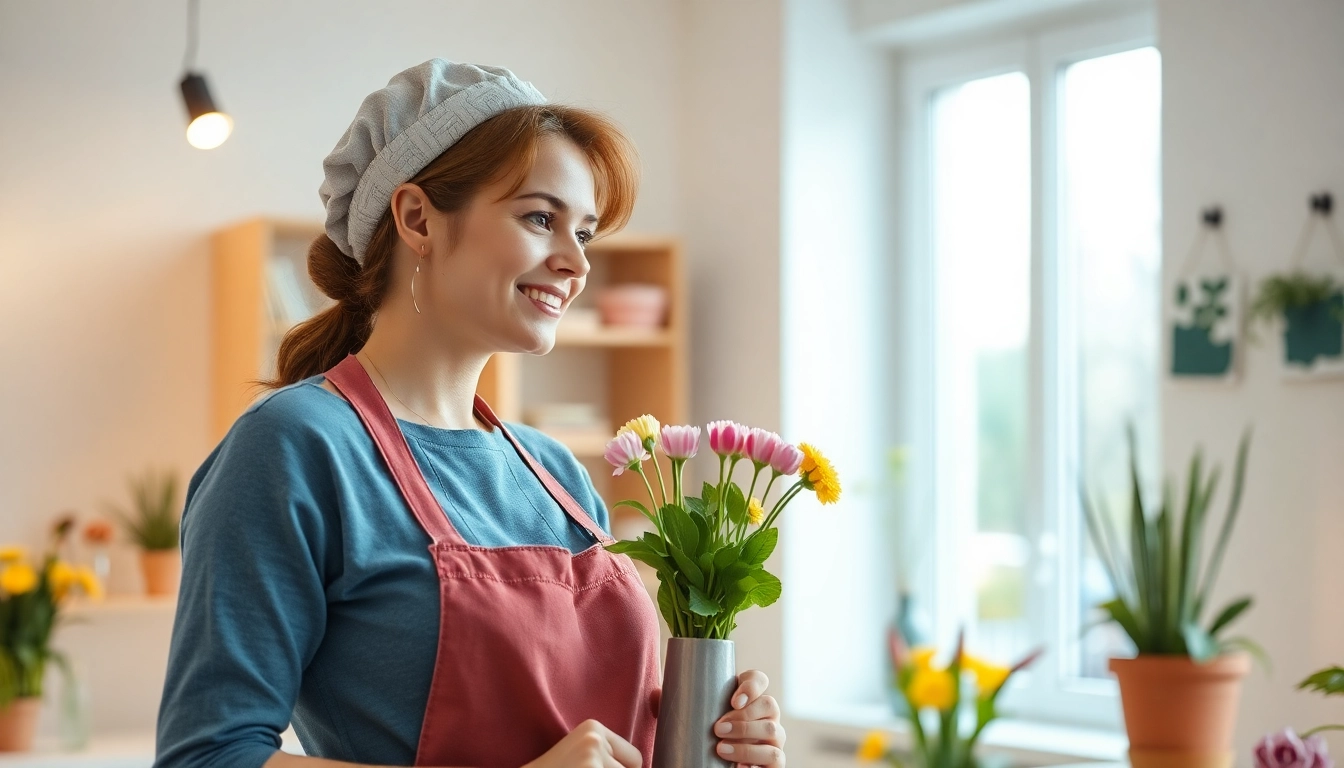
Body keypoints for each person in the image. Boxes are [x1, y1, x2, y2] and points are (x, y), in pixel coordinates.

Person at [152, 59, 786, 768]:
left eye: (584, 233)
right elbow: (207, 755)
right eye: (541, 217)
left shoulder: (554, 473)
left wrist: (711, 737)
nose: (575, 263)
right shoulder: (295, 448)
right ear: (418, 218)